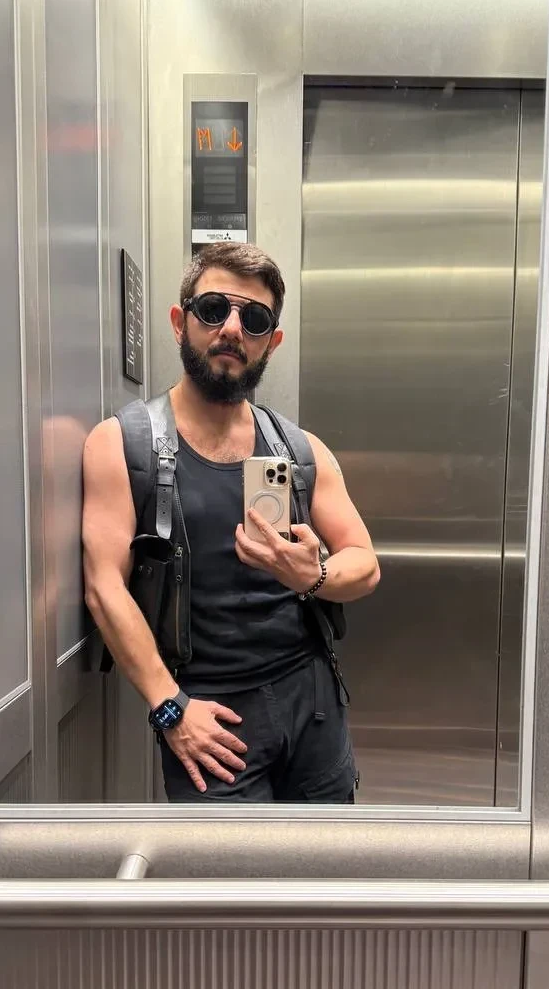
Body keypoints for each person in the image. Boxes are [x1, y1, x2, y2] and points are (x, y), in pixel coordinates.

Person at [82, 242, 379, 802]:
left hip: (315, 708)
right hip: (209, 720)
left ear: (272, 341)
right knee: (226, 864)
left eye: (255, 319)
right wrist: (170, 707)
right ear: (180, 321)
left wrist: (311, 575)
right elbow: (104, 588)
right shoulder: (121, 444)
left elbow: (365, 564)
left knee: (328, 860)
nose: (232, 329)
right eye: (214, 309)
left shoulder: (300, 449)